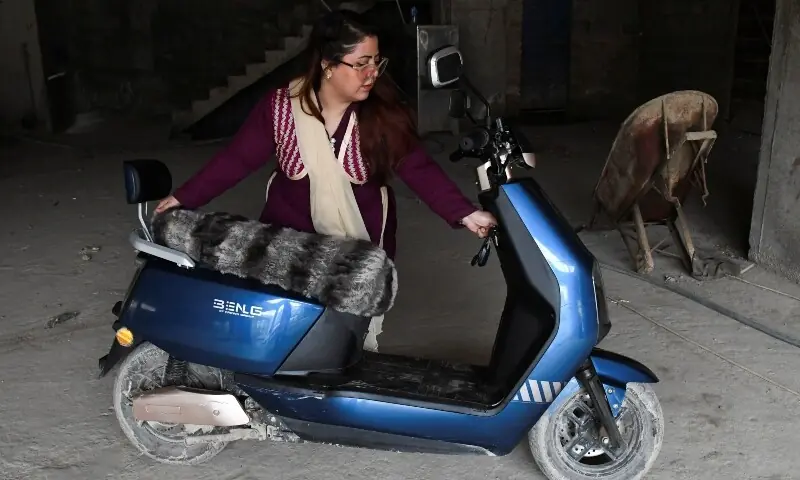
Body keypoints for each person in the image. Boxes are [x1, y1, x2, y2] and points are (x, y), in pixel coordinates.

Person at [154, 9, 497, 351]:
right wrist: (185, 197)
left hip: (357, 249)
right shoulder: (282, 107)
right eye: (361, 63)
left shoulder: (383, 114)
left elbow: (418, 168)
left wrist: (464, 213)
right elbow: (237, 159)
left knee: (345, 340)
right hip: (291, 244)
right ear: (328, 65)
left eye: (377, 62)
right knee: (285, 335)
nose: (372, 73)